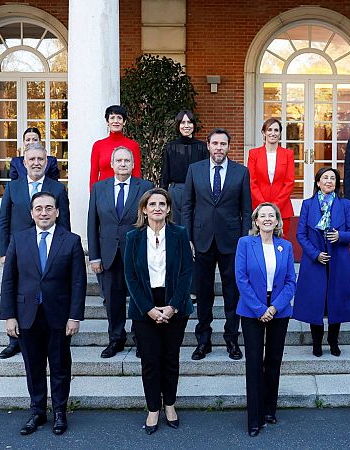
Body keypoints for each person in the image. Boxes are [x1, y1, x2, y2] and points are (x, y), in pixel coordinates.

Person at [0, 191, 86, 436]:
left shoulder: (70, 240)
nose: (44, 212)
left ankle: (60, 411)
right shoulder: (19, 239)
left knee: (60, 367)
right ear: (32, 213)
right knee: (33, 367)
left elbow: (78, 282)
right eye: (39, 208)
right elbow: (9, 281)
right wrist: (9, 315)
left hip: (59, 316)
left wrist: (74, 316)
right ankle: (37, 411)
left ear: (57, 212)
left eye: (49, 208)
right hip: (26, 315)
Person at [124, 188, 194, 435]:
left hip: (174, 303)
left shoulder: (179, 234)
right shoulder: (133, 237)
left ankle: (170, 405)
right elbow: (130, 276)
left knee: (170, 359)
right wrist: (149, 309)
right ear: (144, 209)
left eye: (162, 204)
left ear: (168, 209)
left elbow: (187, 272)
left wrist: (173, 306)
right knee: (150, 361)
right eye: (152, 204)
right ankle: (153, 407)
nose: (157, 208)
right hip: (145, 306)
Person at [0, 142, 71, 359]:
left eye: (40, 159)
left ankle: (53, 333)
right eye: (32, 159)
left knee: (48, 288)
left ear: (46, 162)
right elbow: (4, 220)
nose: (36, 163)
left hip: (49, 248)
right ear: (24, 162)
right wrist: (3, 251)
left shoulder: (57, 188)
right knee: (18, 291)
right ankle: (15, 341)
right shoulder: (13, 187)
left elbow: (64, 222)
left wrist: (65, 250)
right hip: (18, 251)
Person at [183, 128, 252, 361]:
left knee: (232, 293)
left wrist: (244, 240)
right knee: (203, 294)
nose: (219, 148)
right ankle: (203, 340)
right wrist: (188, 238)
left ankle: (232, 339)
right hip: (201, 241)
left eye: (223, 144)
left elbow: (246, 209)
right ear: (208, 146)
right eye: (215, 143)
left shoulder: (241, 173)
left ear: (228, 147)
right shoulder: (195, 170)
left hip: (232, 242)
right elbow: (187, 206)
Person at [235, 203, 296, 437]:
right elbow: (241, 279)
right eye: (263, 216)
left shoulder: (286, 246)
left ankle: (270, 409)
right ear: (256, 221)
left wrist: (274, 307)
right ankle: (255, 418)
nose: (268, 219)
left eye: (272, 215)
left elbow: (291, 281)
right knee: (253, 363)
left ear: (278, 221)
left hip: (278, 310)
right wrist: (261, 308)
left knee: (273, 361)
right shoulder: (245, 244)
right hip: (252, 311)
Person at [88, 147, 153, 358]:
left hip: (136, 253)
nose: (123, 164)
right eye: (119, 160)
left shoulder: (145, 187)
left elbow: (151, 221)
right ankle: (116, 339)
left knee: (138, 297)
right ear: (112, 164)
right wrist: (94, 256)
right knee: (113, 300)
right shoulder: (99, 188)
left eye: (127, 160)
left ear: (133, 165)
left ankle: (141, 339)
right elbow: (92, 224)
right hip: (109, 254)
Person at [293, 167, 350, 357]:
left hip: (339, 260)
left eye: (333, 178)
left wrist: (340, 235)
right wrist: (314, 254)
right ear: (318, 182)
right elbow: (301, 234)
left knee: (336, 300)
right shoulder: (307, 204)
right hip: (315, 261)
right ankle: (317, 342)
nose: (329, 181)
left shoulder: (345, 205)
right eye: (325, 178)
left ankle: (333, 341)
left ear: (336, 184)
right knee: (315, 301)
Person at [159, 110, 209, 224]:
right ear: (178, 125)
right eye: (182, 122)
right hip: (176, 192)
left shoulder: (202, 147)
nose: (186, 126)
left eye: (189, 122)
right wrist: (162, 196)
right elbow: (165, 175)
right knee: (175, 225)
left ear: (194, 125)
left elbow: (206, 174)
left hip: (197, 192)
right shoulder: (170, 147)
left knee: (195, 224)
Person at [248, 118, 295, 236]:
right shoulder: (254, 154)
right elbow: (252, 182)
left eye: (276, 130)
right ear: (263, 133)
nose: (273, 133)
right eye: (269, 130)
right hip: (259, 209)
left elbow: (289, 182)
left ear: (280, 134)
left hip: (282, 210)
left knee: (281, 245)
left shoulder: (288, 154)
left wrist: (275, 207)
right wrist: (264, 207)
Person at [90, 105, 142, 189]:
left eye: (119, 118)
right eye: (112, 118)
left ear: (124, 122)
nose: (116, 121)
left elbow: (136, 174)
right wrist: (93, 196)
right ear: (107, 122)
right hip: (103, 192)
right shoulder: (98, 145)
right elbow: (93, 175)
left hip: (126, 192)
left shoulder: (133, 145)